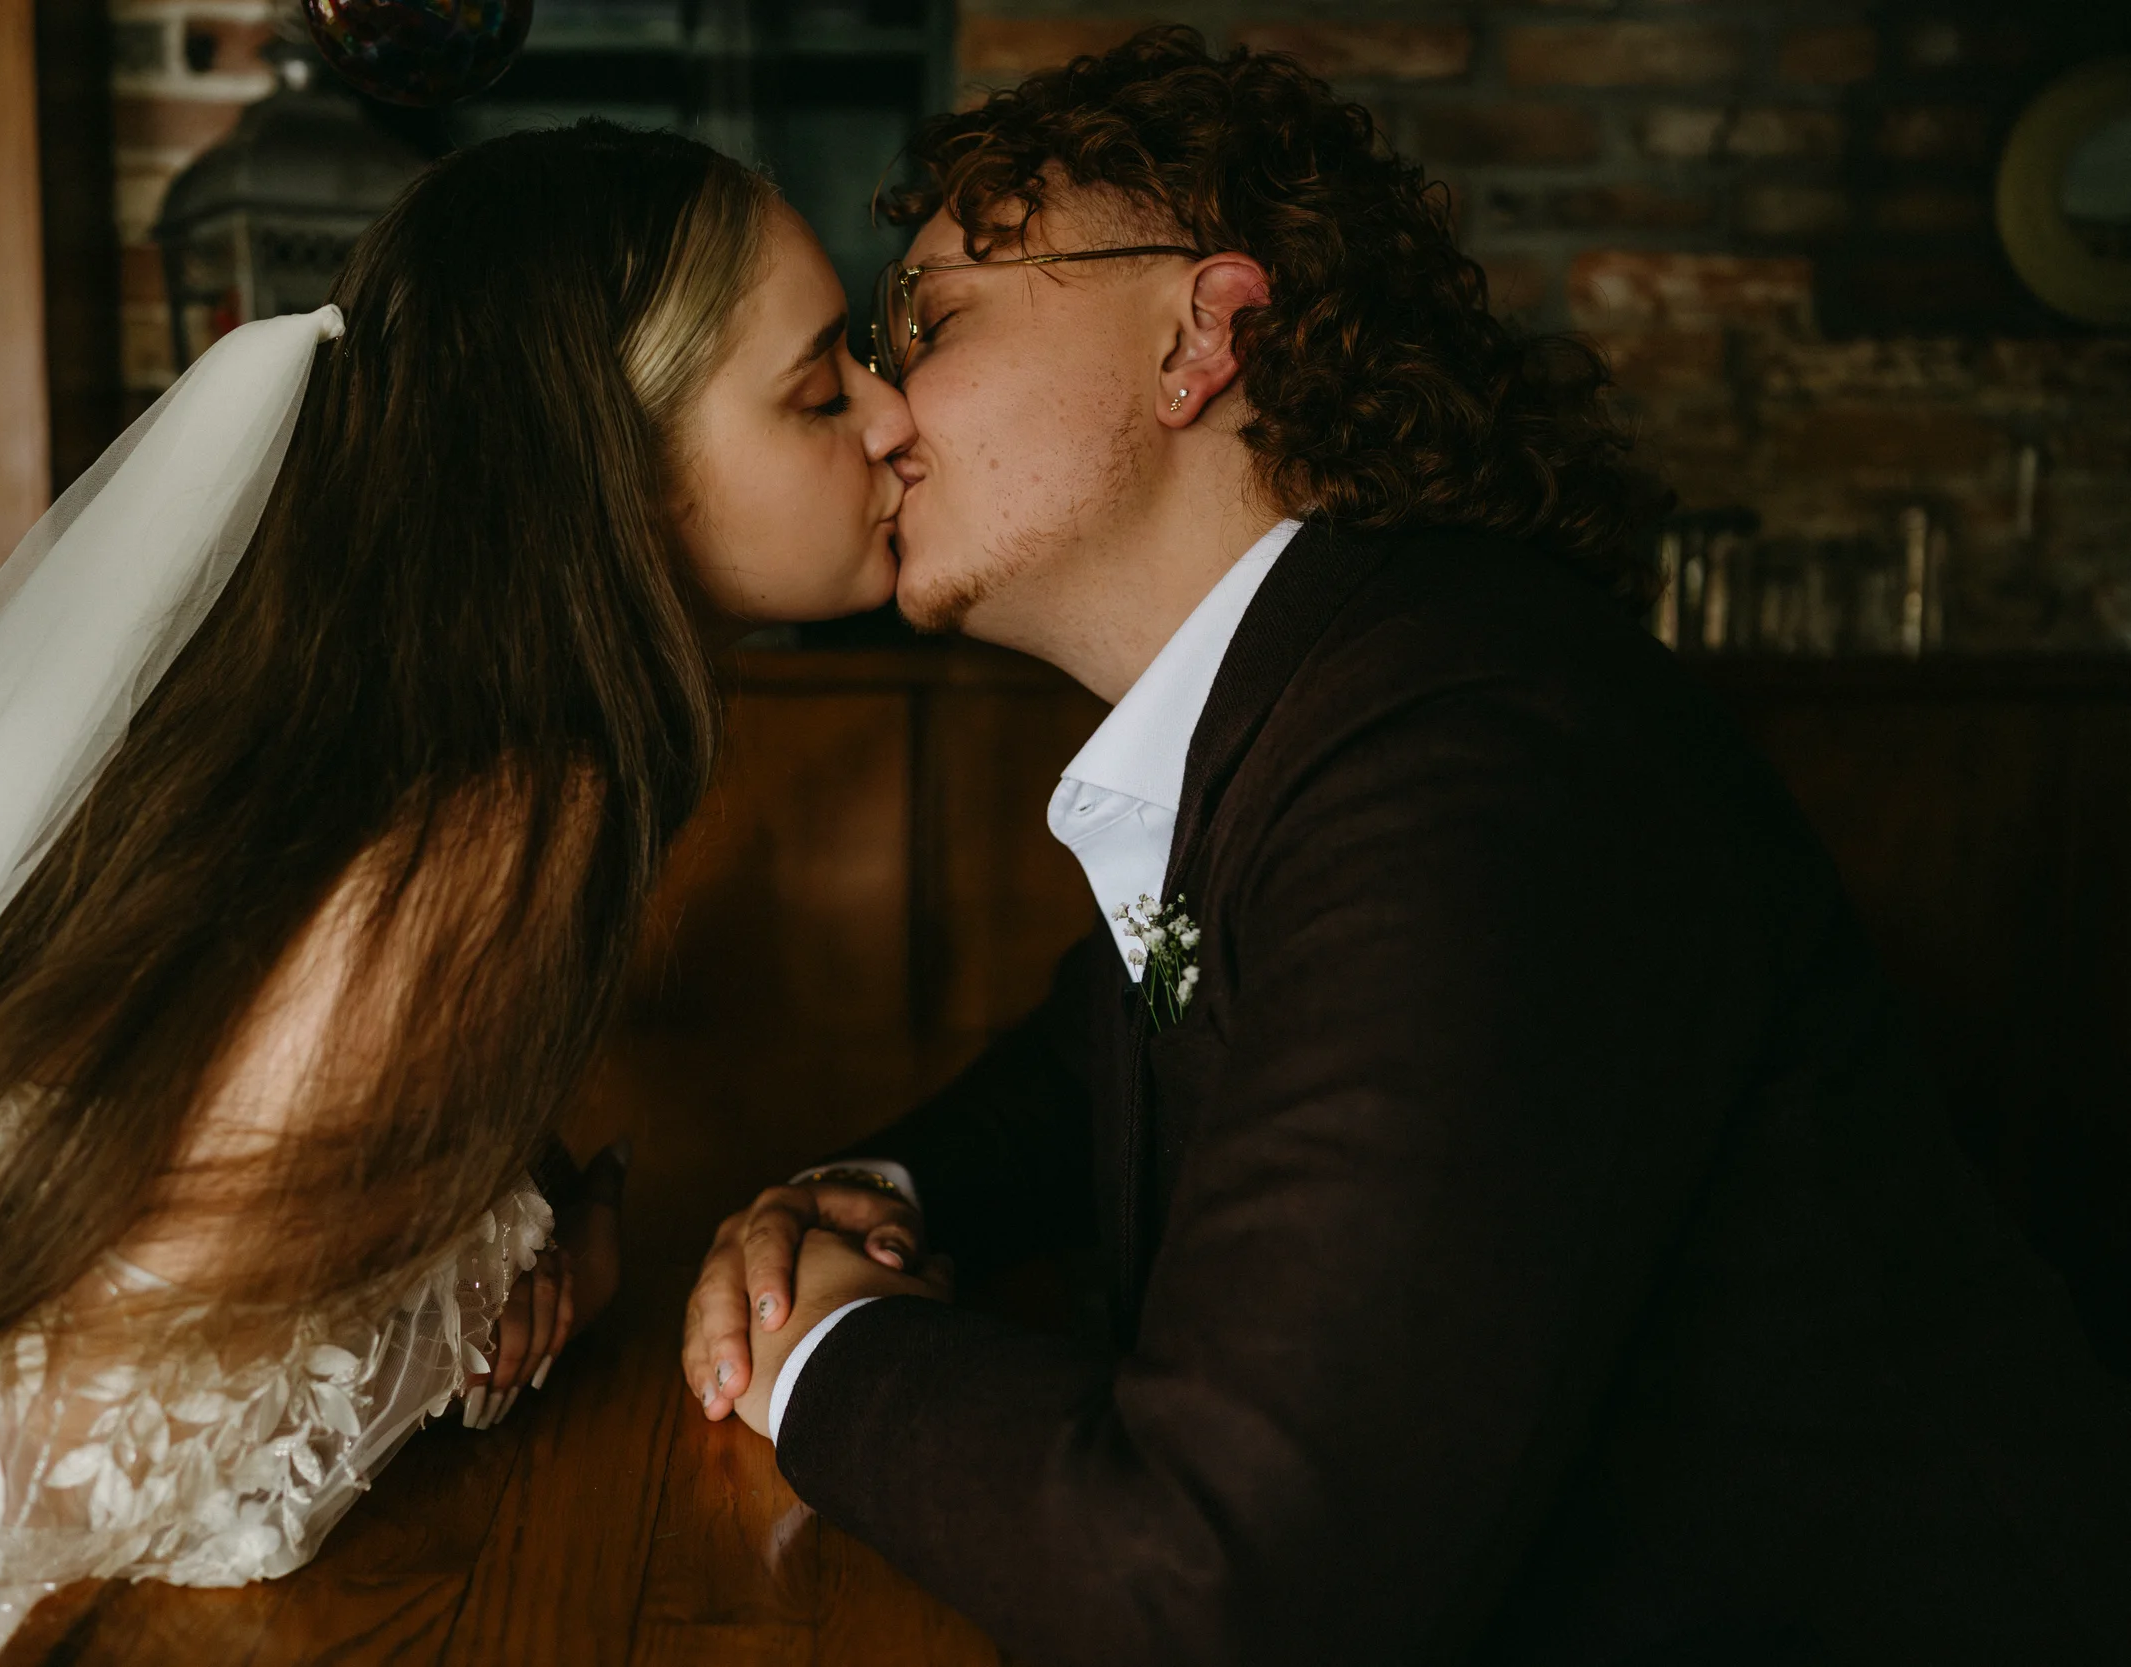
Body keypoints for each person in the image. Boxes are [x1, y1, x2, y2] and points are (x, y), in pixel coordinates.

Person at [683, 30, 2131, 1666]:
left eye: (930, 323)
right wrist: (874, 1184)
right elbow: (1109, 1041)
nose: (878, 414)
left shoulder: (1470, 764)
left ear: (1201, 334)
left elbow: (1220, 1578)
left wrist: (824, 1348)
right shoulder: (1343, 685)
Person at [0, 121, 913, 1666]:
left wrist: (526, 1241)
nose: (895, 422)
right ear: (613, 466)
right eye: (821, 387)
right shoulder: (518, 817)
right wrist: (550, 1264)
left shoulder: (425, 748)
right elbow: (97, 1419)